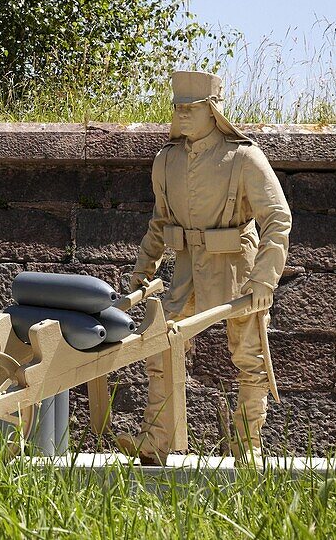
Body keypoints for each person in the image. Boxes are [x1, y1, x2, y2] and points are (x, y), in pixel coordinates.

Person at [117, 71, 291, 467]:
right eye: (177, 108)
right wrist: (144, 270)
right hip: (185, 271)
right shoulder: (166, 160)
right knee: (161, 350)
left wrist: (264, 278)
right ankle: (156, 441)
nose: (181, 115)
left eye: (191, 109)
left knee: (249, 357)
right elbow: (160, 222)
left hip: (236, 269)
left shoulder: (245, 157)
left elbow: (278, 218)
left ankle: (248, 445)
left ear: (213, 111)